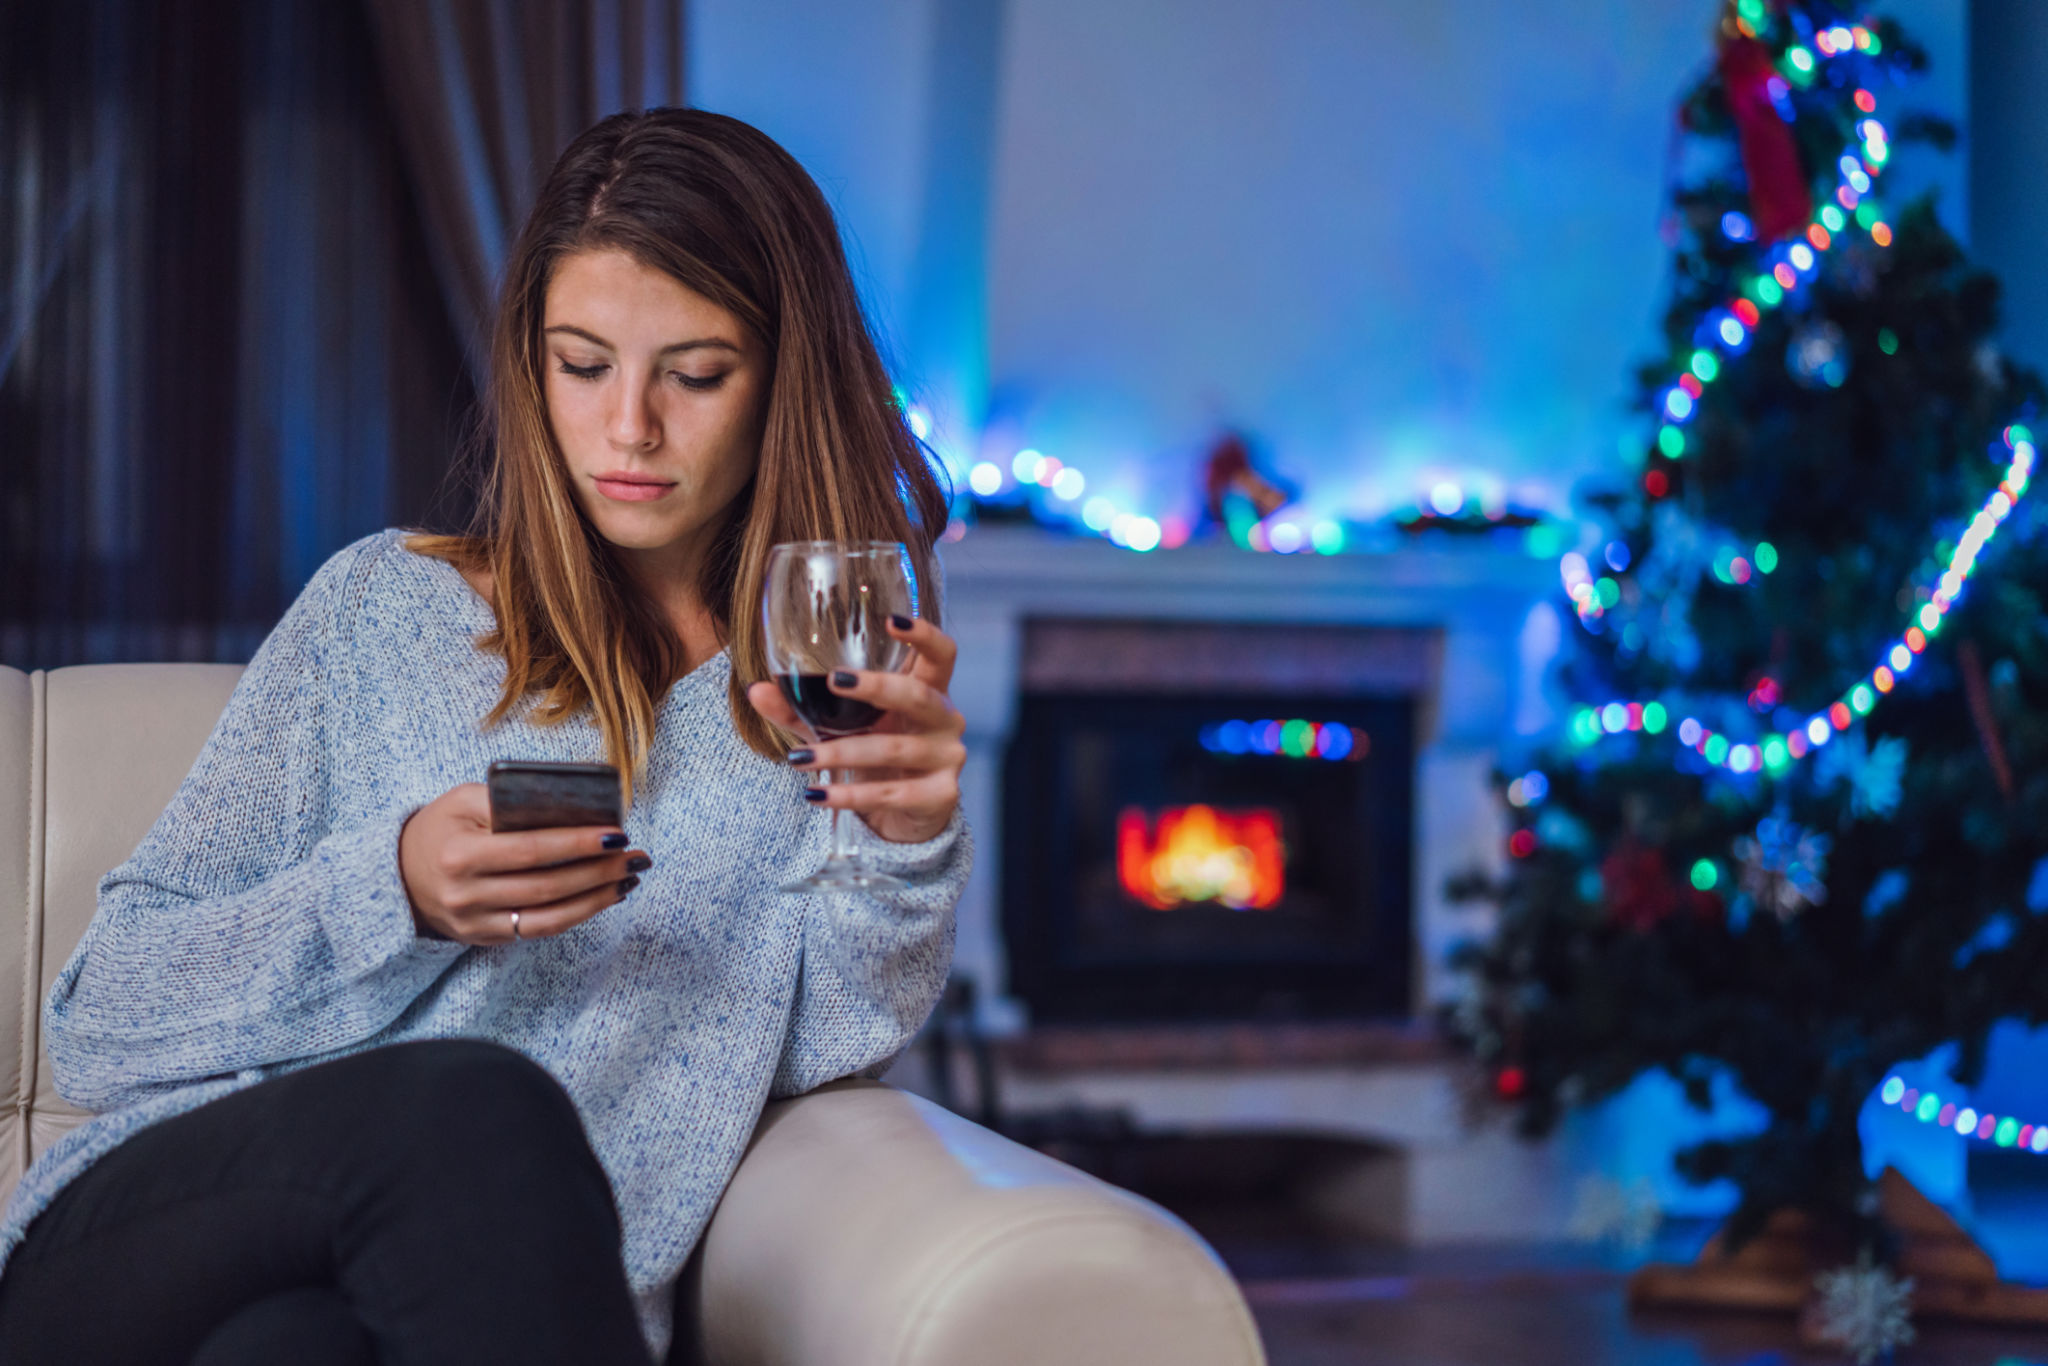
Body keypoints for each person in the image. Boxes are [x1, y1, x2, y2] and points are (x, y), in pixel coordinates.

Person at [0, 108, 970, 1366]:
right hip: (149, 1240)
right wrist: (390, 886)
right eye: (582, 364)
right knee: (474, 1098)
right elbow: (102, 1018)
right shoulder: (383, 609)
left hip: (453, 1304)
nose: (628, 428)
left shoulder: (817, 682)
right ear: (530, 365)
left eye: (693, 373)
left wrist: (898, 849)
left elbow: (823, 1042)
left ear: (783, 379)